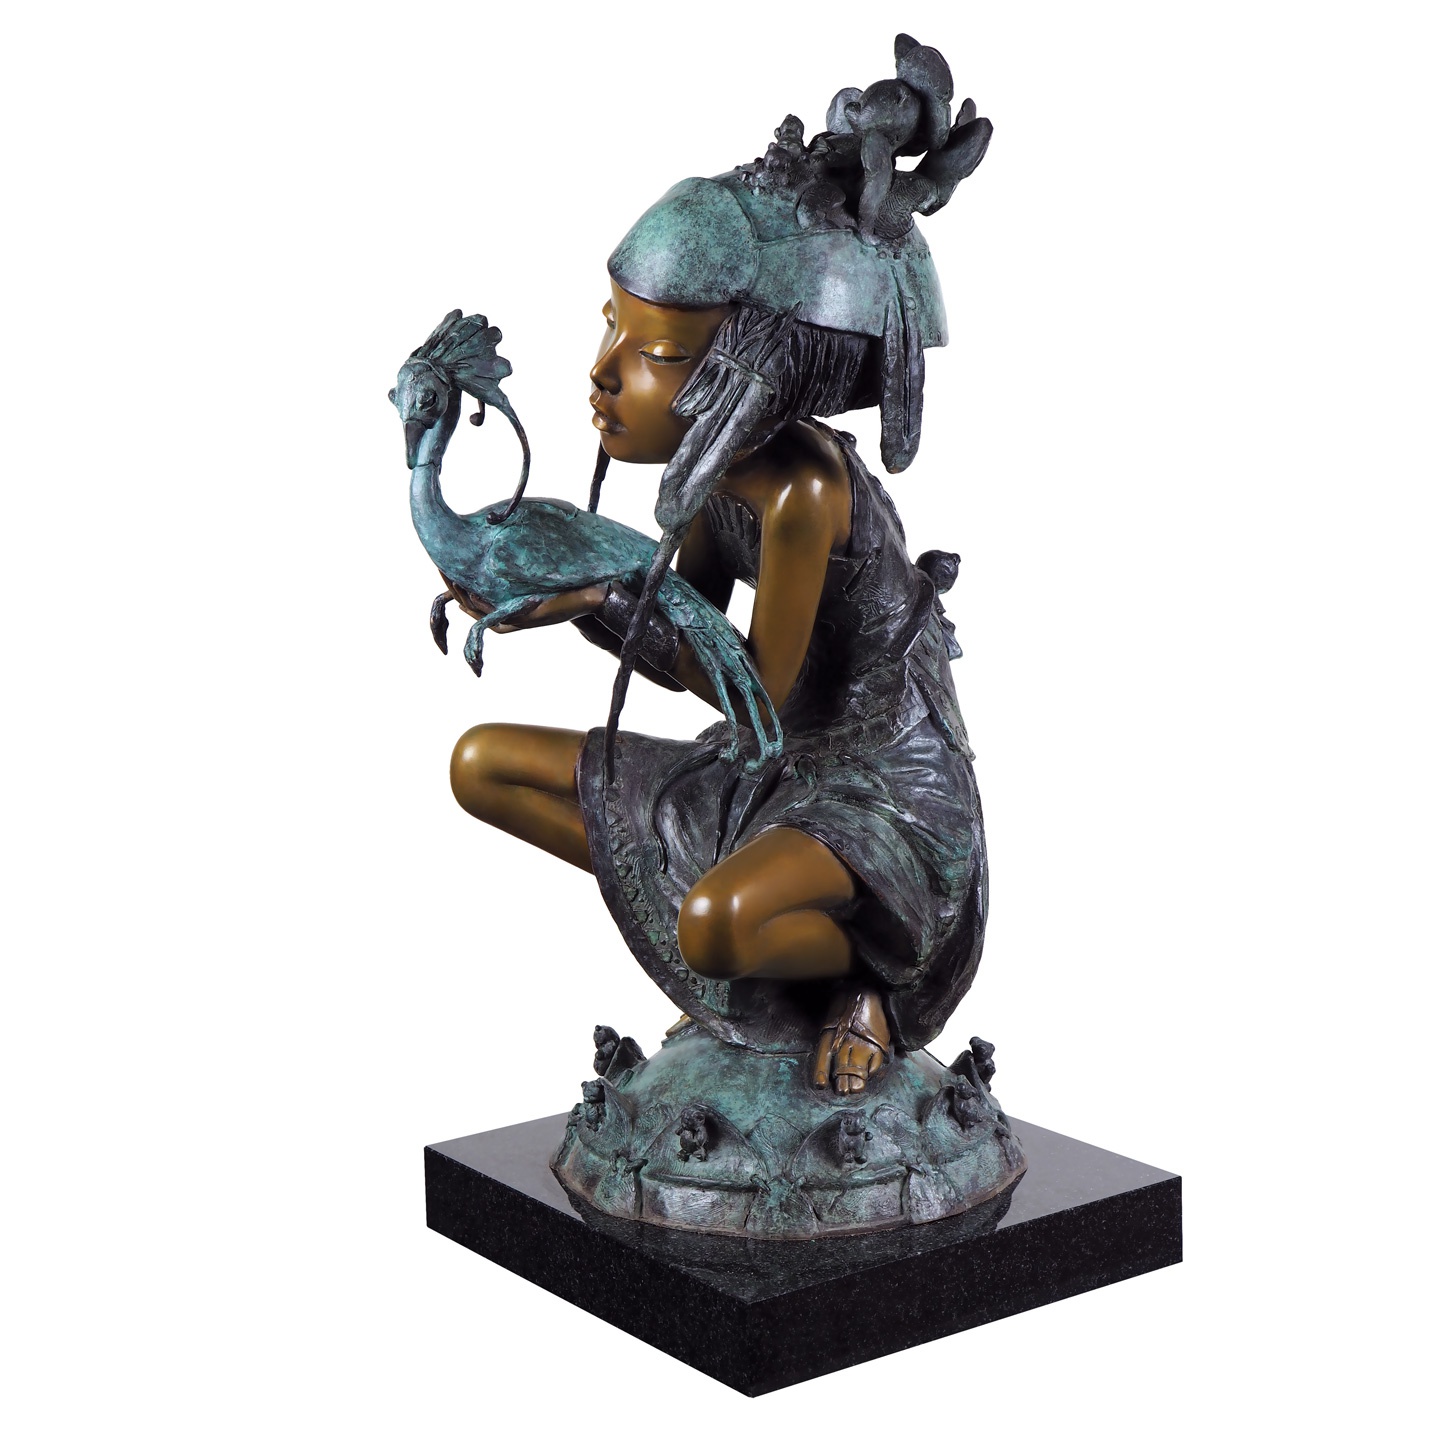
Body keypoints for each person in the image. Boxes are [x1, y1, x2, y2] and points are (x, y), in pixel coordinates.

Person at [446, 38, 993, 1095]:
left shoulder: (801, 494)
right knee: (481, 765)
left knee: (714, 922)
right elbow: (680, 640)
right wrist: (563, 599)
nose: (602, 373)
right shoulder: (713, 471)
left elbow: (759, 697)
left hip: (874, 791)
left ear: (752, 372)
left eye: (655, 354)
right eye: (612, 328)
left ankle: (867, 982)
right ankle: (763, 984)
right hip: (765, 773)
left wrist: (596, 590)